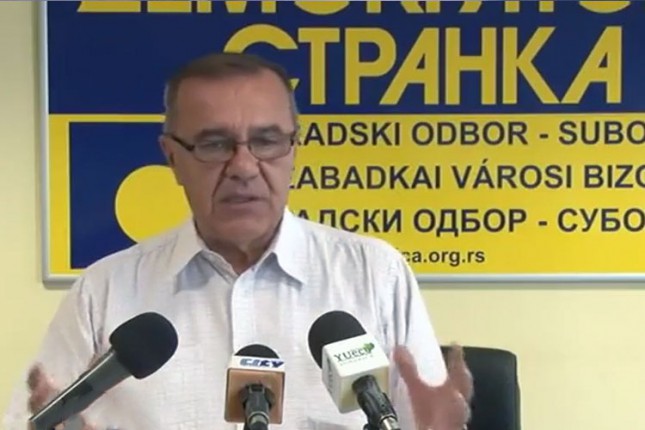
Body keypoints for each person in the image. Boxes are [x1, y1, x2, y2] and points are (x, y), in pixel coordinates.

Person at [3, 52, 472, 430]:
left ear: (294, 149)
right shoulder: (104, 292)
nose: (244, 167)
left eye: (266, 141)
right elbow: (35, 419)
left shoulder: (374, 274)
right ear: (172, 157)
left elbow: (425, 422)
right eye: (215, 145)